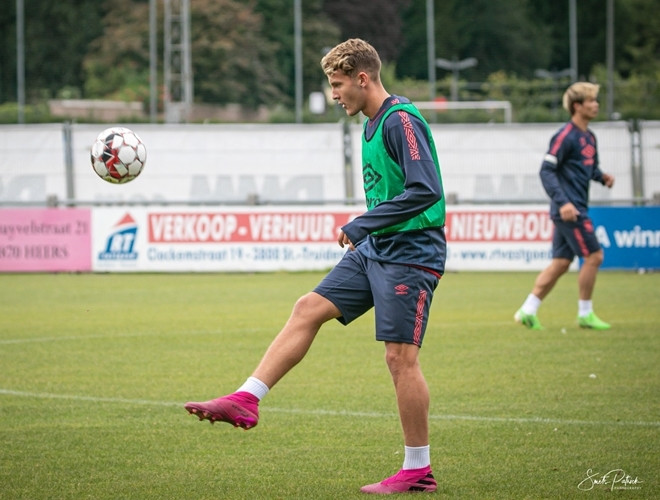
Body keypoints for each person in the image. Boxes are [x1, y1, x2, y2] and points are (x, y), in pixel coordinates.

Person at [184, 38, 446, 495]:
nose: (334, 94)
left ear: (362, 78)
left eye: (338, 84)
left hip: (410, 253)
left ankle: (417, 469)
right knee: (308, 307)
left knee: (399, 359)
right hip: (377, 247)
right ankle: (247, 398)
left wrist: (363, 223)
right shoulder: (370, 124)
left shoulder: (399, 119)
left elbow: (426, 190)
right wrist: (369, 229)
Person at [515, 82, 614, 331]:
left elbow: (589, 168)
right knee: (594, 256)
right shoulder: (565, 136)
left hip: (573, 208)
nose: (596, 105)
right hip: (570, 210)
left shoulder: (589, 137)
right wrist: (564, 202)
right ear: (577, 106)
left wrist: (602, 177)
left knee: (560, 262)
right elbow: (546, 170)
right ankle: (585, 314)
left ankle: (527, 310)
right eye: (591, 101)